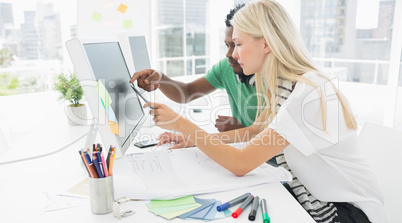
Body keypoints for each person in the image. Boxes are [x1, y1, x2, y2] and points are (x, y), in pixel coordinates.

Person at [143, 0, 385, 222]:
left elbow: (241, 164)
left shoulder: (307, 93)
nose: (233, 54)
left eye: (238, 44)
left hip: (346, 210)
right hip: (317, 193)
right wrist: (194, 140)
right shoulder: (281, 84)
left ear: (266, 43)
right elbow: (256, 131)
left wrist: (182, 124)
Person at [130, 4, 258, 133]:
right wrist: (159, 77)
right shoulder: (226, 67)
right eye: (227, 45)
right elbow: (187, 92)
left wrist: (243, 130)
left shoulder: (274, 79)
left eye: (237, 45)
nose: (229, 54)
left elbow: (274, 137)